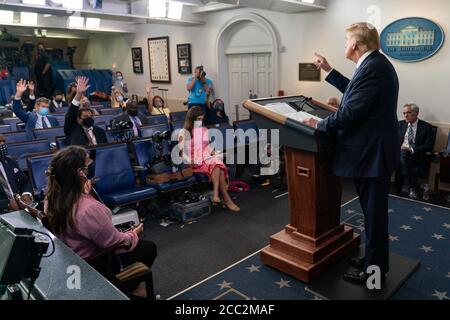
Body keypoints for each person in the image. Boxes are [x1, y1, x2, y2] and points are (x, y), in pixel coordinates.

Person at [305, 22, 400, 284]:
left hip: (372, 155)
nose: (344, 45)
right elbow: (354, 92)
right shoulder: (374, 65)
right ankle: (374, 261)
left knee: (374, 217)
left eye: (346, 41)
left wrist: (319, 124)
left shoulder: (374, 68)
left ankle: (375, 273)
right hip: (372, 152)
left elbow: (351, 112)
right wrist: (328, 70)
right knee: (372, 215)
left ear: (356, 45)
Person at [44, 146, 157, 298]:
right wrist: (134, 233)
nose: (91, 163)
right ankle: (129, 290)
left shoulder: (52, 199)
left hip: (73, 259)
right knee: (148, 248)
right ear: (81, 173)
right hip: (96, 264)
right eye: (88, 162)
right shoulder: (89, 209)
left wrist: (84, 191)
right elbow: (116, 244)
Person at [178, 106, 240, 212]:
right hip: (195, 160)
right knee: (216, 163)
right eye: (198, 119)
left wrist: (215, 153)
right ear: (191, 118)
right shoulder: (183, 132)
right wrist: (189, 160)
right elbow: (181, 153)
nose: (200, 121)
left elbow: (207, 146)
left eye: (202, 119)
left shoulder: (204, 129)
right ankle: (225, 198)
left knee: (216, 162)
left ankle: (217, 194)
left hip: (206, 157)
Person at [395, 103, 435, 199]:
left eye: (408, 112)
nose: (405, 115)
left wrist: (412, 149)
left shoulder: (426, 127)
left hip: (416, 155)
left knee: (403, 158)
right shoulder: (400, 124)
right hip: (400, 154)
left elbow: (429, 146)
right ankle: (411, 187)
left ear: (416, 113)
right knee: (403, 155)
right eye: (404, 113)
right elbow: (393, 140)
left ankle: (399, 191)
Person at [65, 77, 107, 146]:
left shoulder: (100, 131)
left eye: (90, 116)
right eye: (85, 116)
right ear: (79, 119)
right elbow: (71, 115)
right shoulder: (72, 130)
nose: (89, 118)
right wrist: (78, 93)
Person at [0, 134, 33, 213]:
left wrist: (26, 194)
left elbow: (25, 182)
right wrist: (7, 204)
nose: (2, 145)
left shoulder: (10, 162)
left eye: (3, 141)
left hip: (20, 208)